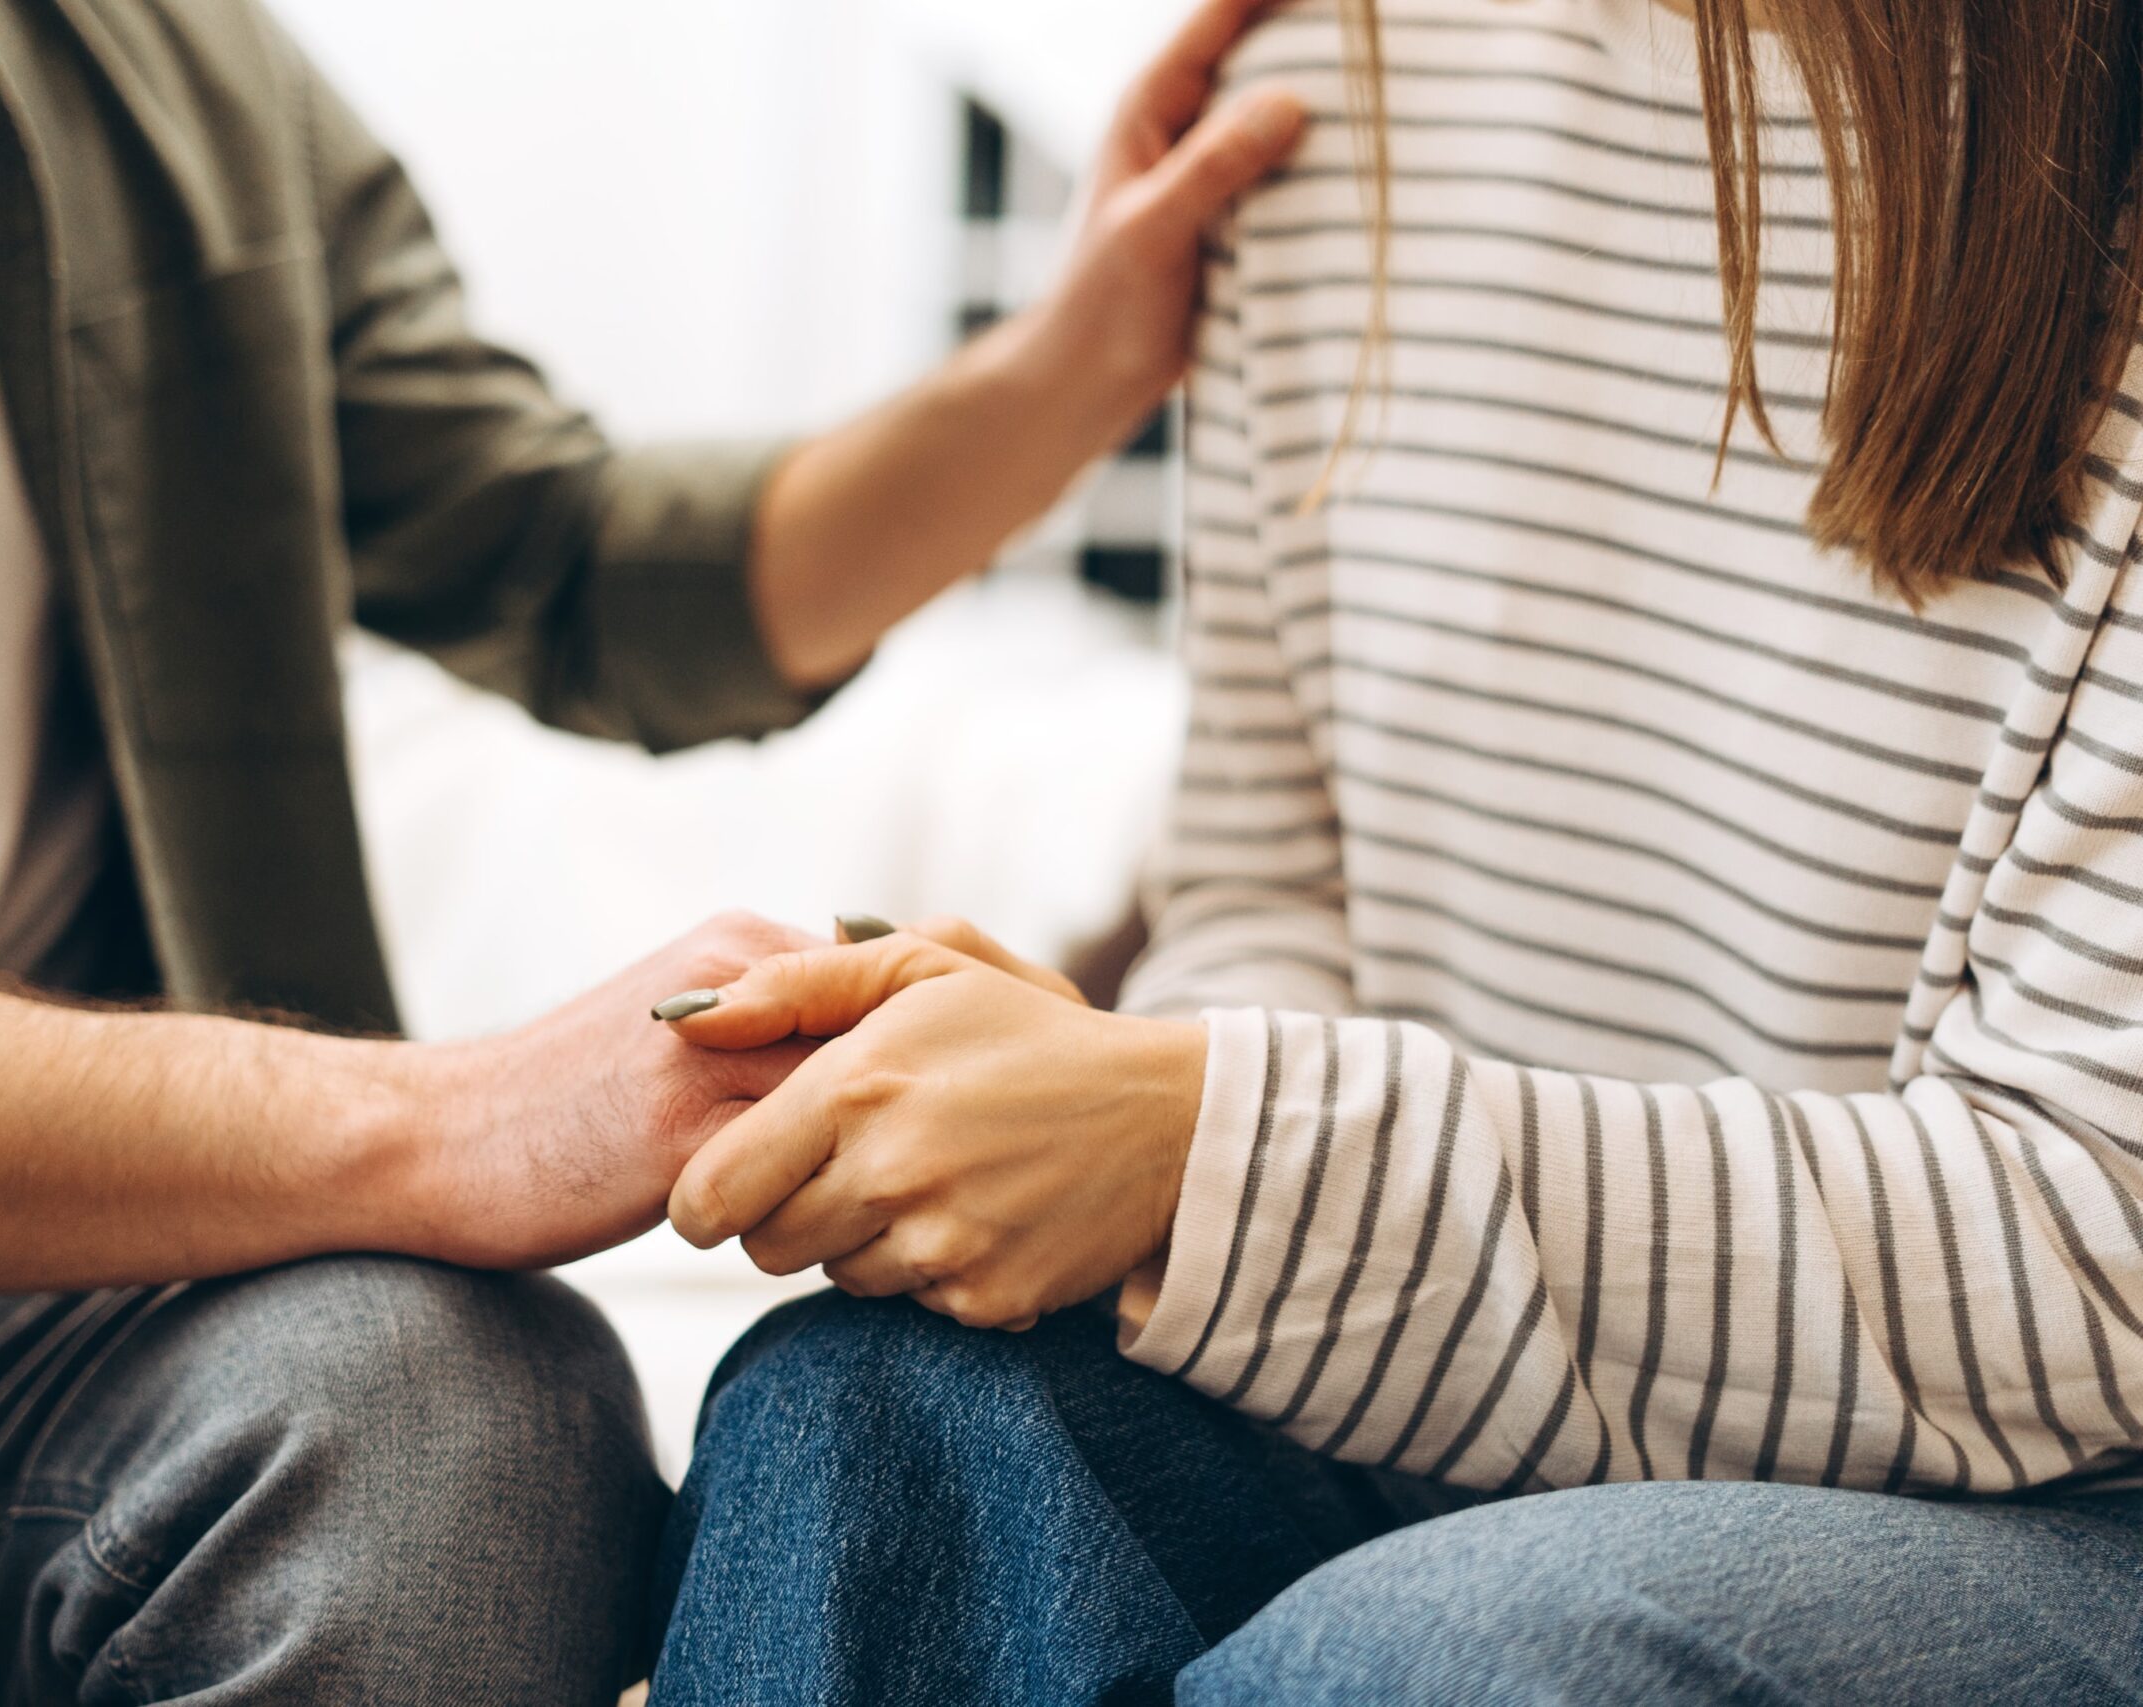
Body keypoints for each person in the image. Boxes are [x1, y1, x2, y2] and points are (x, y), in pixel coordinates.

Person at [0, 0, 1308, 1696]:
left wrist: (1078, 360)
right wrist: (438, 1125)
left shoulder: (138, 62)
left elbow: (566, 561)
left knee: (458, 1418)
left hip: (13, 1303)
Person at [648, 0, 2143, 1701]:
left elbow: (2103, 1256)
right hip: (1443, 1395)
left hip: (2061, 1493)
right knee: (855, 1428)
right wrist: (1128, 1110)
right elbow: (1271, 889)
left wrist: (1209, 1149)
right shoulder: (1323, 90)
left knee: (1430, 1662)